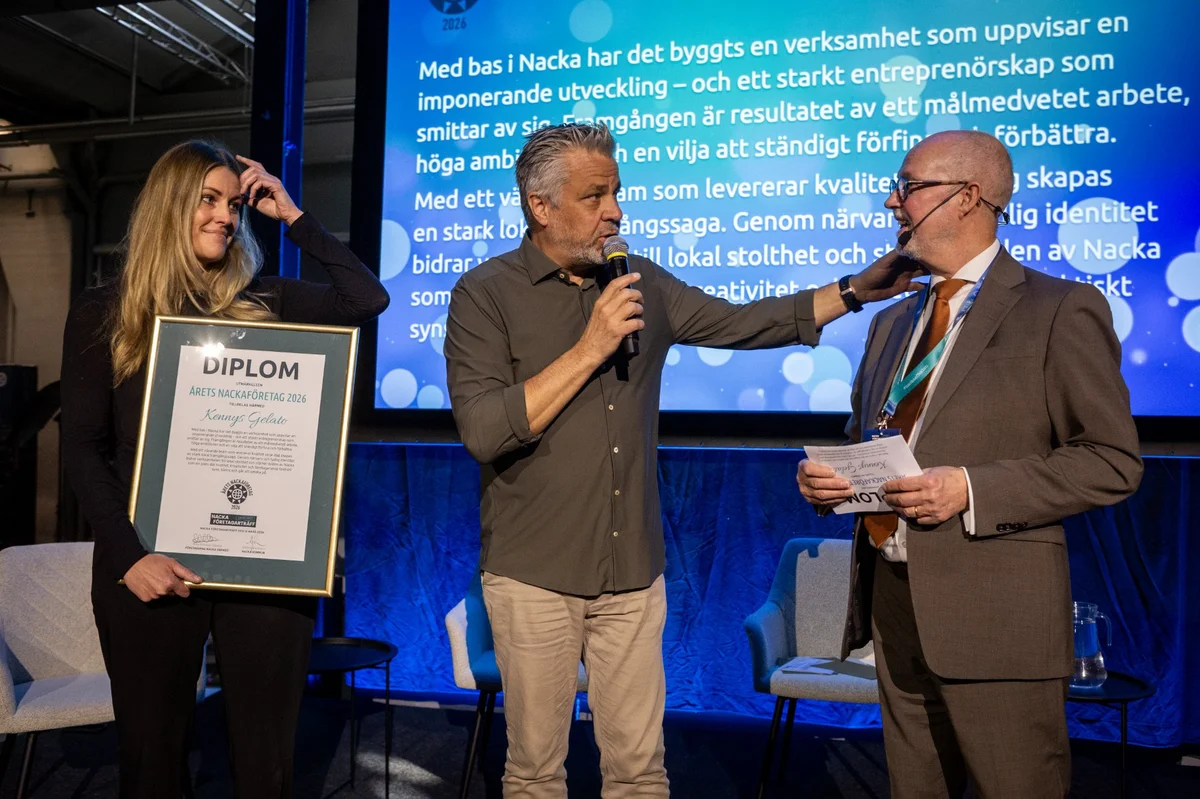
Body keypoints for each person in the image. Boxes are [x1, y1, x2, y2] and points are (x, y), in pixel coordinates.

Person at [443, 122, 923, 797]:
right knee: (536, 772)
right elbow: (485, 431)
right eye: (594, 196)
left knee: (640, 771)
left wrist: (852, 290)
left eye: (617, 193)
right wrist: (591, 346)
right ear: (540, 205)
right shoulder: (484, 294)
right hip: (534, 577)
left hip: (632, 574)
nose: (615, 211)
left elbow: (744, 321)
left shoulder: (640, 282)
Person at [796, 130, 1143, 798]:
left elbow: (1111, 461)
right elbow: (870, 435)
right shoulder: (891, 322)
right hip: (894, 601)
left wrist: (970, 488)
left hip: (997, 612)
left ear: (966, 196)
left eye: (908, 186)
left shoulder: (1059, 308)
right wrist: (832, 482)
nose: (892, 202)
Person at [60, 140, 389, 798]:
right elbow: (82, 447)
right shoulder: (106, 312)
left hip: (264, 570)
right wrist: (130, 557)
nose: (226, 217)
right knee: (152, 763)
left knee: (266, 768)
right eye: (209, 201)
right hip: (150, 561)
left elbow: (366, 297)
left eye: (235, 204)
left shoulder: (264, 298)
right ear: (169, 207)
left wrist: (292, 214)